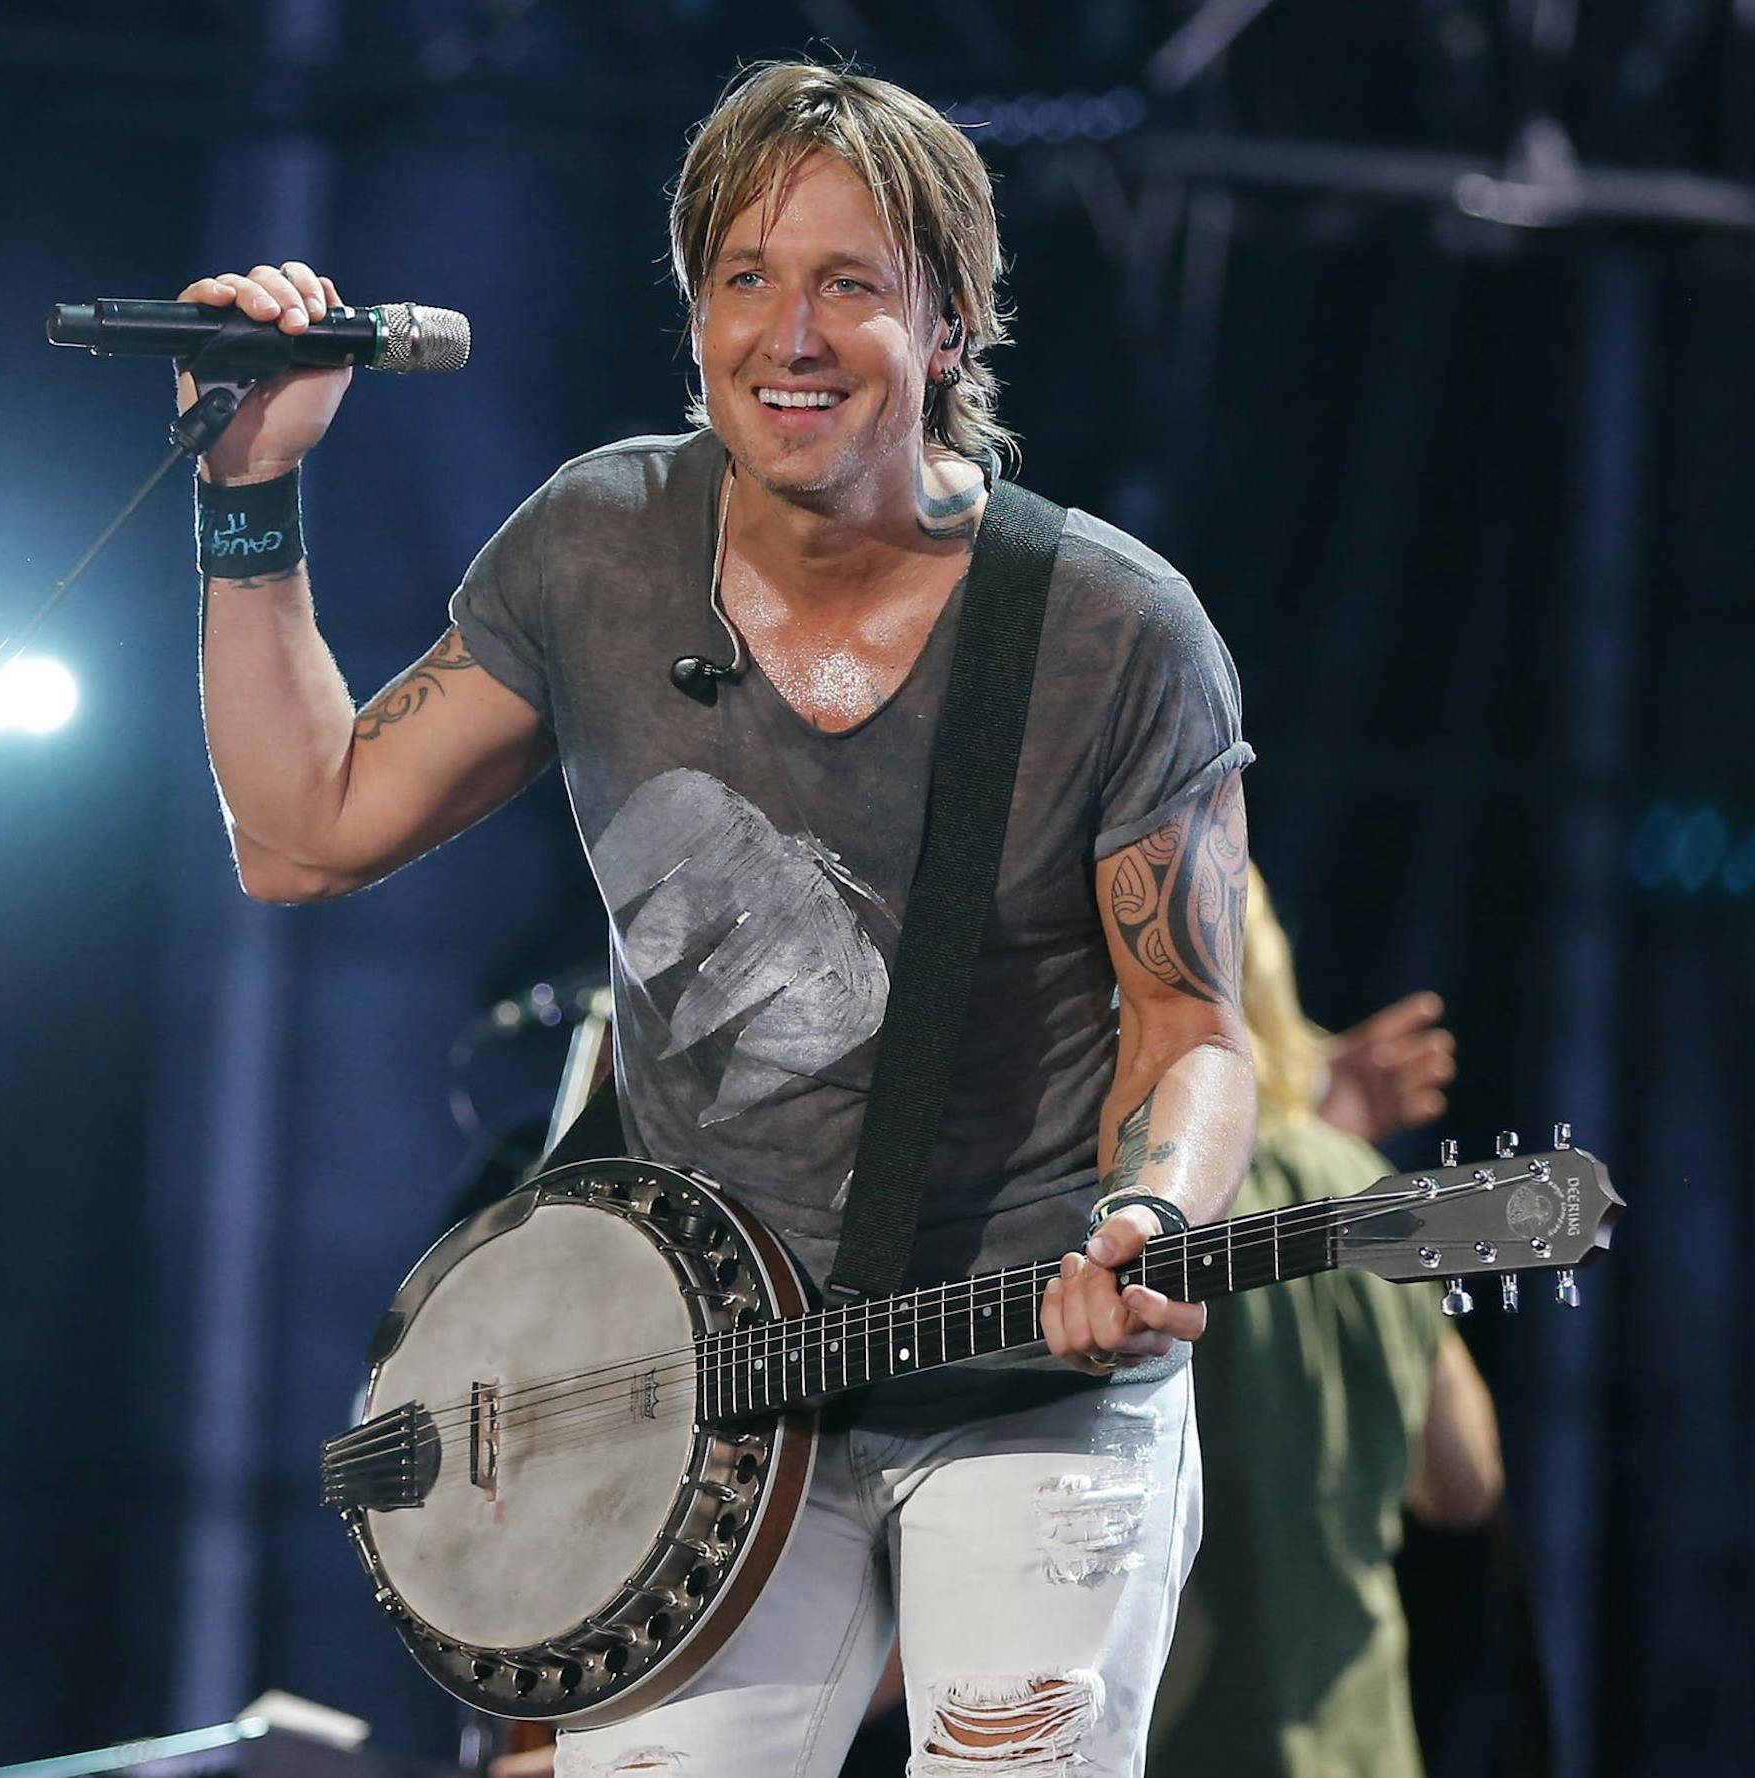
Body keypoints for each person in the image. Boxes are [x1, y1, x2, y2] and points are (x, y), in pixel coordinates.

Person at [188, 60, 1256, 1778]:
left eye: (853, 283)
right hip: (711, 1397)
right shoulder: (597, 548)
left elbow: (1193, 1026)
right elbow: (301, 833)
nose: (793, 332)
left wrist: (1150, 1212)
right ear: (691, 318)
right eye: (746, 280)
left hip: (1028, 1368)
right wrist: (250, 490)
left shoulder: (1111, 626)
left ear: (953, 325)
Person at [1146, 866, 1502, 1778]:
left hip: (1194, 1745)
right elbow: (1464, 1482)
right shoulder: (1364, 1195)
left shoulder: (1137, 1215)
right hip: (1368, 1747)